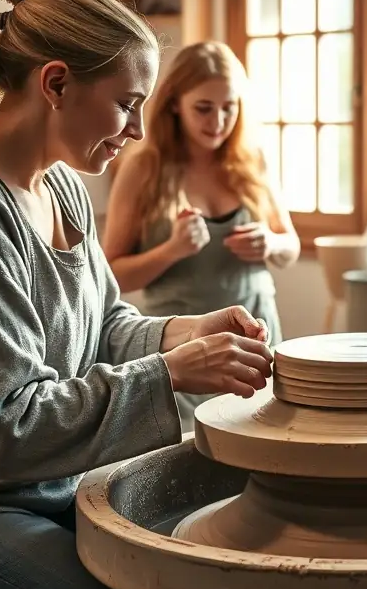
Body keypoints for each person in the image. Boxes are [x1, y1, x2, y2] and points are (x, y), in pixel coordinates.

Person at [0, 0, 275, 589]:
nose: (138, 130)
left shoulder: (62, 186)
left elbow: (107, 324)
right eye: (126, 104)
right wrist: (171, 373)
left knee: (195, 554)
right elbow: (8, 428)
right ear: (56, 84)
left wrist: (181, 334)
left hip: (43, 487)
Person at [103, 41, 299, 432]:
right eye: (204, 108)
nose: (218, 121)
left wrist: (270, 243)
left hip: (260, 348)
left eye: (230, 108)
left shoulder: (251, 160)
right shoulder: (143, 168)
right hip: (185, 357)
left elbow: (289, 245)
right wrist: (171, 250)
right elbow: (111, 278)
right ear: (175, 103)